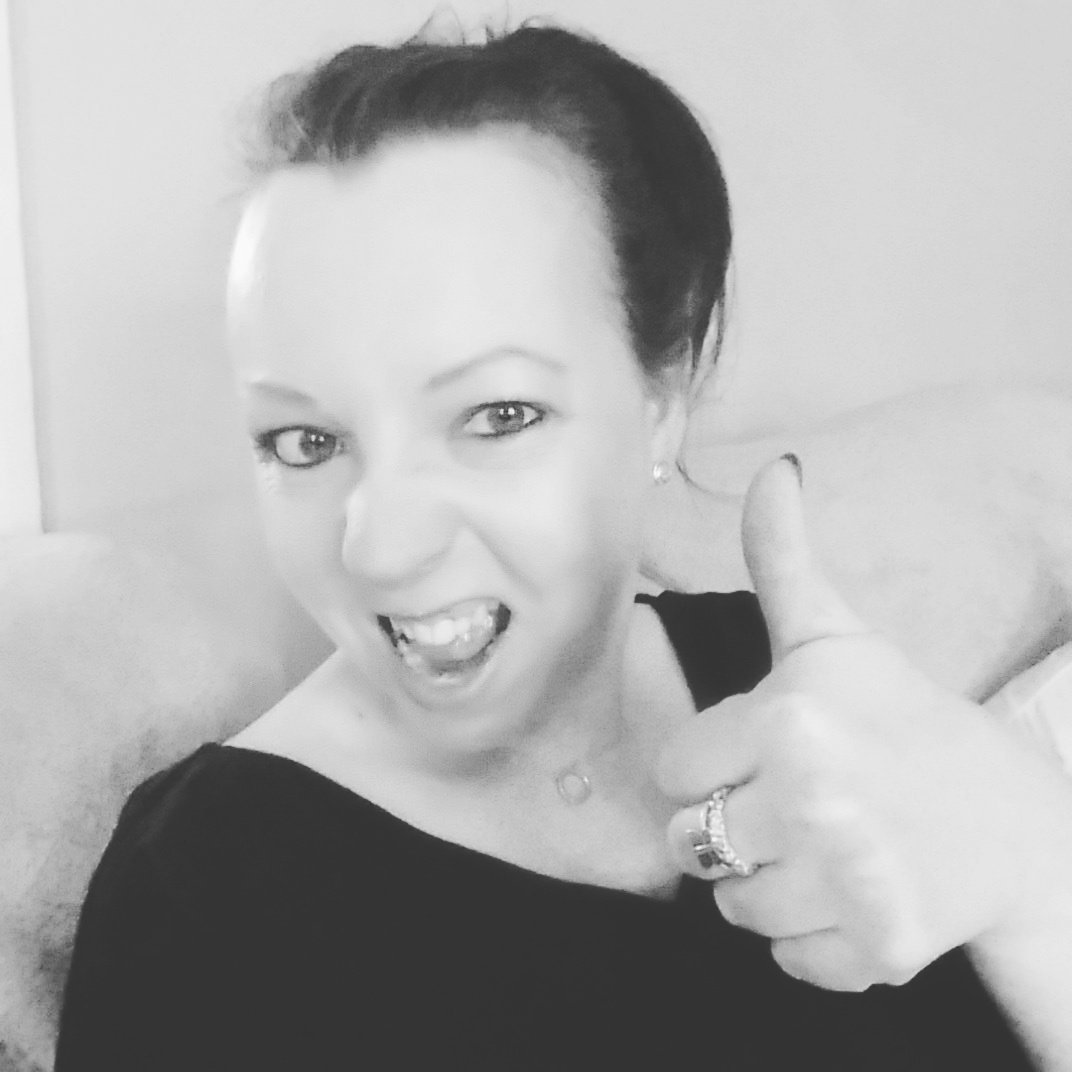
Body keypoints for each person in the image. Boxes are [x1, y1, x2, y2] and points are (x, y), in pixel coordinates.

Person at [54, 20, 1072, 1071]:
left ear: (663, 393)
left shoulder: (803, 693)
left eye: (496, 416)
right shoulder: (200, 900)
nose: (383, 550)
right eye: (304, 441)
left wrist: (1034, 874)